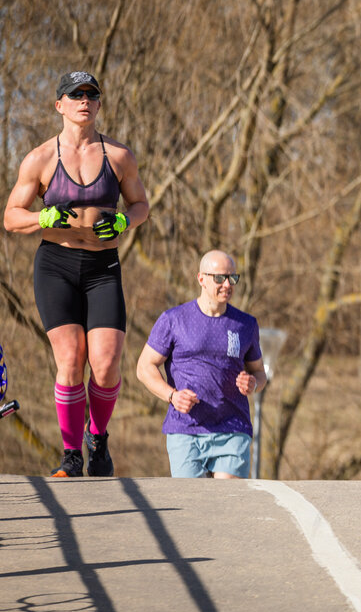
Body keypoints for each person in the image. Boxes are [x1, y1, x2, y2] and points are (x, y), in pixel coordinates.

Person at [3, 71, 149, 477]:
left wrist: (123, 221)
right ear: (60, 105)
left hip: (103, 266)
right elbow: (11, 218)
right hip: (57, 265)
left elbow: (141, 206)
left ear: (99, 104)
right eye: (75, 94)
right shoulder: (39, 159)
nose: (84, 100)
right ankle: (70, 454)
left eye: (91, 94)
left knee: (105, 363)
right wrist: (41, 216)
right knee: (70, 359)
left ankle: (97, 437)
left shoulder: (119, 156)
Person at [135, 250, 267, 479]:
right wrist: (172, 396)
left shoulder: (245, 324)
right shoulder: (173, 319)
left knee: (228, 504)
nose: (227, 284)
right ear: (201, 279)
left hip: (232, 428)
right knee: (195, 508)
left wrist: (253, 384)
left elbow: (259, 373)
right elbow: (144, 367)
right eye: (219, 278)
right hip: (186, 429)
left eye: (232, 278)